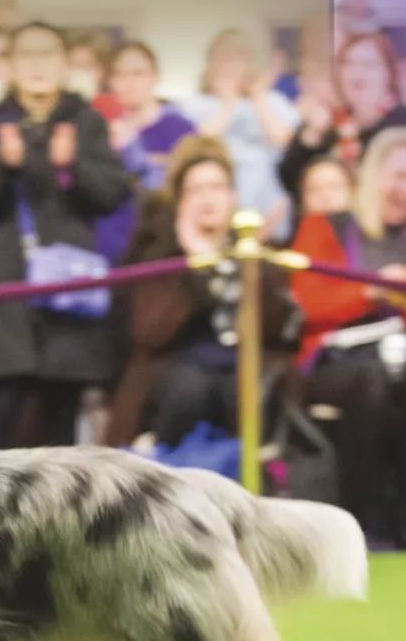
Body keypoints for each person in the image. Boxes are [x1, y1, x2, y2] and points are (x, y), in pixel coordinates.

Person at [0, 21, 130, 449]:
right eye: (27, 55)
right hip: (8, 285)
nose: (38, 65)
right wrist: (4, 165)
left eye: (48, 54)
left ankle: (60, 514)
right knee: (1, 408)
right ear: (11, 66)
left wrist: (72, 166)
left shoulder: (85, 120)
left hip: (68, 282)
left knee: (61, 415)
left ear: (66, 64)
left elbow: (112, 194)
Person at [107, 137, 297, 449]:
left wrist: (254, 269)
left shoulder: (252, 249)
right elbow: (149, 332)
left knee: (247, 387)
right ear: (180, 202)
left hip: (241, 365)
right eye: (196, 190)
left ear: (233, 196)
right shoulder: (158, 251)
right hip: (174, 371)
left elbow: (280, 330)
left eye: (217, 187)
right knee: (190, 386)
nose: (208, 198)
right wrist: (197, 263)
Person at [289, 127, 406, 543]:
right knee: (371, 381)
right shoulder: (327, 227)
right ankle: (365, 522)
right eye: (398, 176)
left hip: (399, 355)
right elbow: (307, 305)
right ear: (373, 178)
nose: (404, 188)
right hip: (336, 361)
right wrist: (372, 290)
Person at [180, 29, 299, 242]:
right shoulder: (194, 105)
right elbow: (196, 145)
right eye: (225, 59)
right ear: (211, 64)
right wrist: (228, 103)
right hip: (216, 217)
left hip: (269, 210)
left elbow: (287, 143)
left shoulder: (273, 101)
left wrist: (258, 97)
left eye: (240, 58)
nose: (232, 67)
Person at [95, 41, 195, 265]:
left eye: (138, 73)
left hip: (162, 246)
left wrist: (134, 150)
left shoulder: (180, 128)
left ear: (155, 76)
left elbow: (174, 189)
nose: (129, 82)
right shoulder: (99, 130)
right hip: (110, 248)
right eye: (120, 74)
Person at [279, 32, 406, 199]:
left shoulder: (403, 122)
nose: (357, 72)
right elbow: (289, 180)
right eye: (348, 64)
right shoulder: (329, 121)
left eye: (369, 65)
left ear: (388, 73)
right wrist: (312, 135)